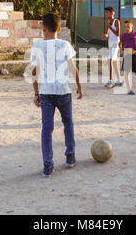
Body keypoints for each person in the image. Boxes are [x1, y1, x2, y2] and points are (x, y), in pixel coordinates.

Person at [31, 13, 83, 178]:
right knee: (68, 123)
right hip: (63, 91)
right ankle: (70, 156)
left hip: (46, 92)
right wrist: (79, 87)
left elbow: (34, 72)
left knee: (47, 129)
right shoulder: (65, 44)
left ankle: (48, 165)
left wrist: (36, 93)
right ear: (59, 29)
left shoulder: (37, 46)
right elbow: (73, 67)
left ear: (43, 28)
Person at [101, 6, 122, 88]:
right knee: (115, 62)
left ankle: (110, 80)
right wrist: (105, 35)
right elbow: (107, 33)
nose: (105, 14)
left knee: (110, 59)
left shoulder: (116, 21)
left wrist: (110, 27)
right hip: (110, 43)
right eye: (105, 12)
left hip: (116, 43)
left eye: (107, 12)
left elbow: (118, 34)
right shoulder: (108, 22)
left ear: (112, 13)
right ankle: (119, 80)